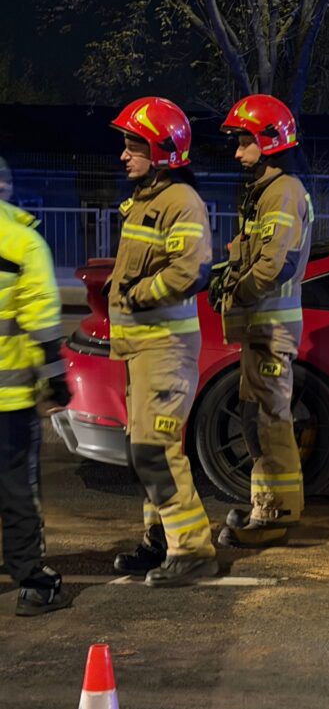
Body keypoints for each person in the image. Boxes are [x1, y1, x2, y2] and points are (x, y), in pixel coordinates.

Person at [108, 97, 218, 586]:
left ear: (162, 151)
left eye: (133, 146)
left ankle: (192, 551)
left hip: (165, 348)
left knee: (156, 450)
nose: (123, 155)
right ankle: (161, 541)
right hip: (143, 349)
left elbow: (190, 269)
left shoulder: (180, 202)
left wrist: (138, 294)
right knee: (144, 450)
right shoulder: (146, 202)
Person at [215, 95, 311, 547]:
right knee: (255, 417)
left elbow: (274, 266)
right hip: (261, 328)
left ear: (270, 142)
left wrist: (235, 292)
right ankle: (264, 505)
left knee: (270, 420)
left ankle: (275, 516)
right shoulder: (265, 193)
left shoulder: (283, 193)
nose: (237, 153)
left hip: (272, 329)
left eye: (244, 142)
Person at [0, 156, 73, 615]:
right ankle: (31, 580)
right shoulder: (23, 242)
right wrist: (55, 381)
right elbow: (42, 320)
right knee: (16, 486)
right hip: (9, 397)